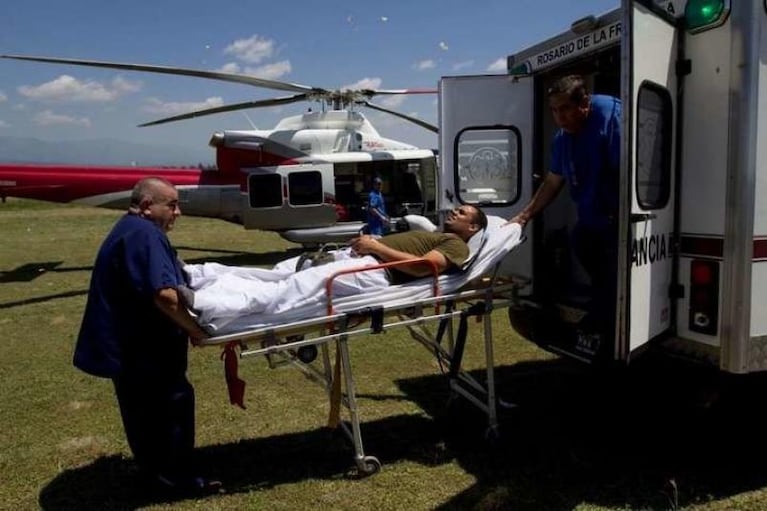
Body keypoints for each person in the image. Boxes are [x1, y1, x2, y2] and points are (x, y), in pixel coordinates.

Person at [73, 177, 221, 495]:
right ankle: (176, 481)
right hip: (141, 349)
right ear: (146, 206)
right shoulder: (145, 236)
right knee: (169, 407)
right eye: (172, 205)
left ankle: (155, 473)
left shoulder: (130, 229)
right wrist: (195, 329)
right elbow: (165, 296)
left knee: (143, 414)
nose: (178, 212)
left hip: (129, 347)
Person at [182, 205, 488, 324]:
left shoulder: (455, 244)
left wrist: (375, 246)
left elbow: (426, 268)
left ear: (472, 228)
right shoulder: (435, 234)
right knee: (277, 274)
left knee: (292, 288)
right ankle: (200, 274)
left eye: (462, 214)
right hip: (358, 259)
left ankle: (210, 304)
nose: (454, 213)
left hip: (375, 273)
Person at [510, 74, 621, 345]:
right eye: (554, 110)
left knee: (611, 274)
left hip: (618, 221)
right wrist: (523, 217)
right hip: (591, 219)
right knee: (581, 243)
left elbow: (629, 173)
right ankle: (598, 320)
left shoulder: (612, 118)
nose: (559, 117)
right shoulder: (563, 138)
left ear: (584, 103)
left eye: (565, 109)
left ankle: (601, 329)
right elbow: (553, 181)